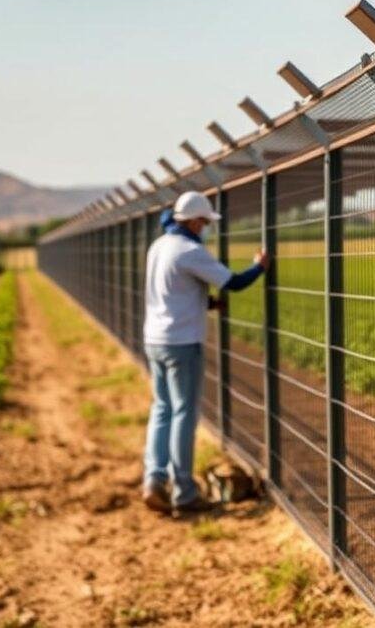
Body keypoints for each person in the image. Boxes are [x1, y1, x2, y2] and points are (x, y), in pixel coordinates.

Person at [141, 190, 270, 513]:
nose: (206, 228)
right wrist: (260, 266)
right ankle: (184, 492)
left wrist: (207, 302)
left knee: (162, 410)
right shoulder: (189, 250)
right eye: (205, 222)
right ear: (196, 221)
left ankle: (153, 480)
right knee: (184, 413)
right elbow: (234, 282)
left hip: (155, 338)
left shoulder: (160, 246)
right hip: (182, 342)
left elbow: (172, 291)